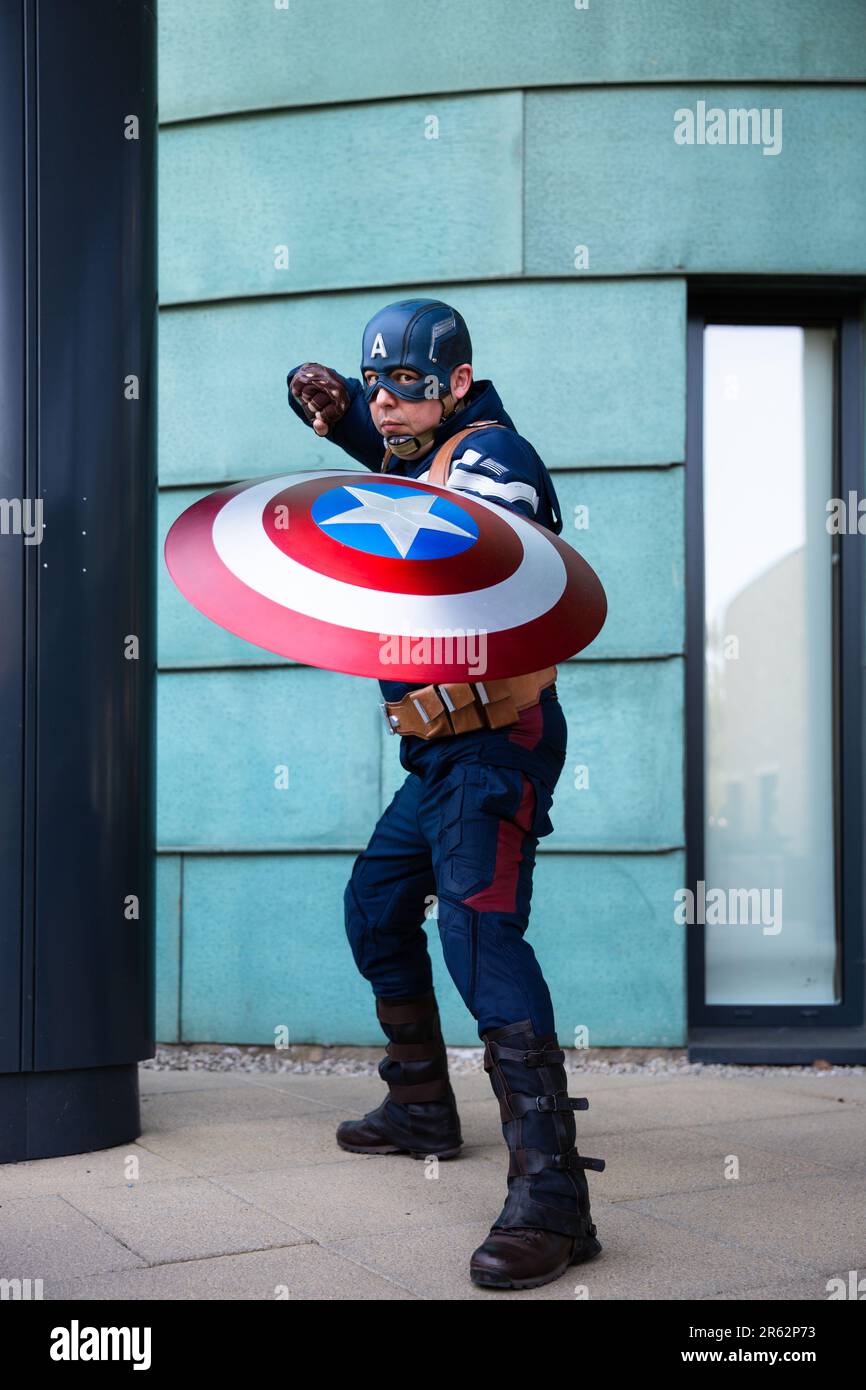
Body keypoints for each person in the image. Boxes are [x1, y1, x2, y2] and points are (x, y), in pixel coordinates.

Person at [286, 297, 605, 1291]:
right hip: (435, 755)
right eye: (373, 381)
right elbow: (406, 478)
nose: (385, 400)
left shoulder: (492, 459)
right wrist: (342, 417)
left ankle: (554, 1201)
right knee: (375, 906)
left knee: (477, 931)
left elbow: (467, 535)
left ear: (458, 383)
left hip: (494, 744)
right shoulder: (425, 449)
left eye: (406, 384)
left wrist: (360, 471)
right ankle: (421, 1103)